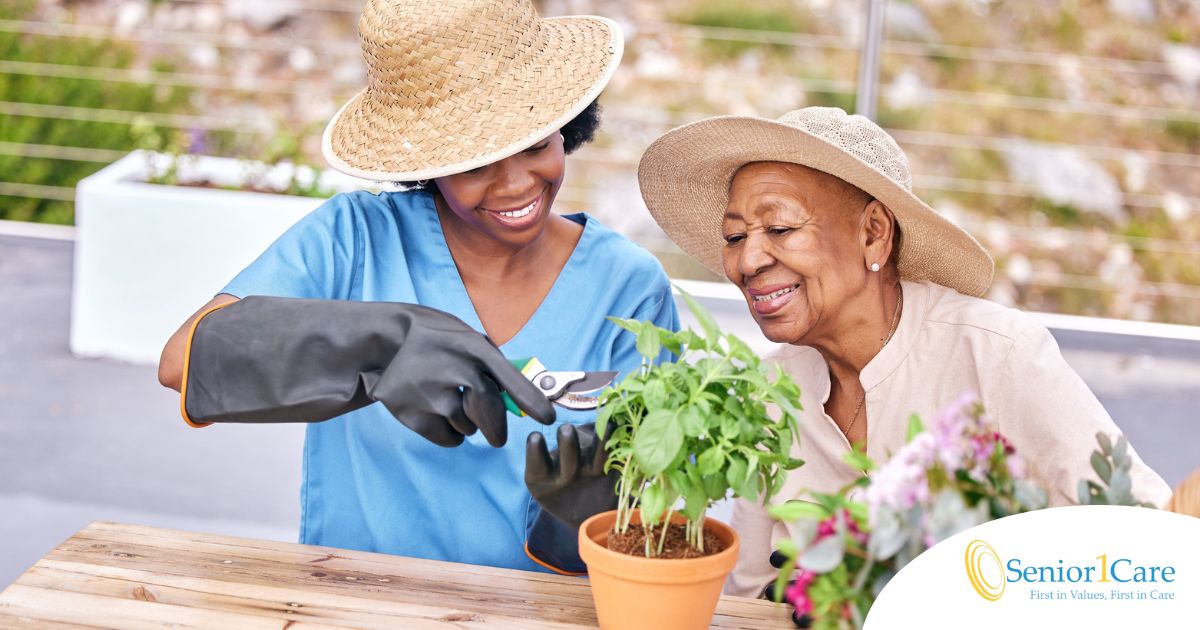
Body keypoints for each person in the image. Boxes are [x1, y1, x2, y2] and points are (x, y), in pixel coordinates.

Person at [157, 0, 677, 575]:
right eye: (477, 162)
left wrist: (579, 522)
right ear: (430, 161)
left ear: (570, 127)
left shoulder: (627, 287)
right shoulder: (355, 238)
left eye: (536, 145)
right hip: (354, 602)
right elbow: (184, 362)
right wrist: (378, 344)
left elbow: (652, 486)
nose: (516, 184)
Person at [636, 107, 1172, 604]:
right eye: (735, 236)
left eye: (780, 228)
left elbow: (1151, 546)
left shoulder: (997, 354)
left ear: (873, 234)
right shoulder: (767, 396)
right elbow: (752, 594)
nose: (747, 260)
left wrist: (952, 583)